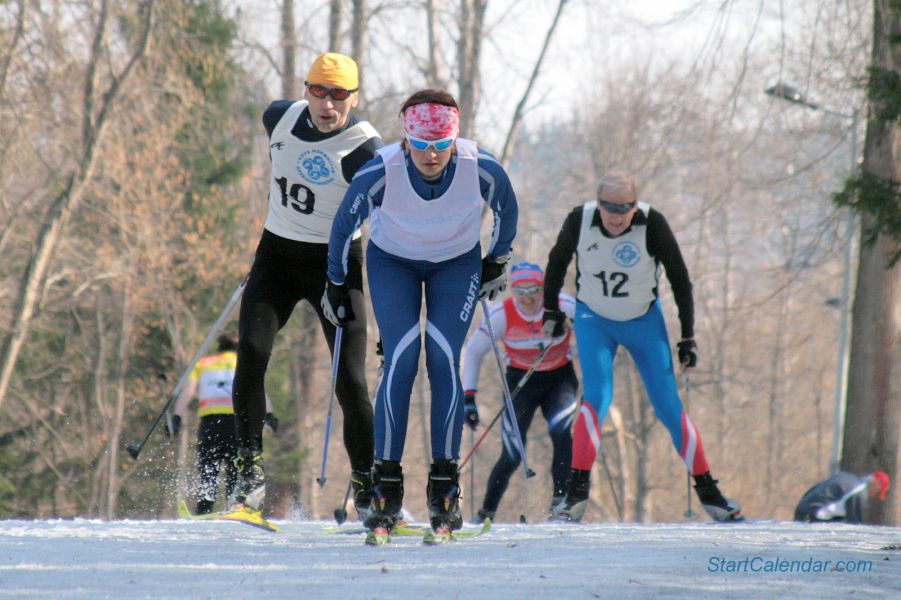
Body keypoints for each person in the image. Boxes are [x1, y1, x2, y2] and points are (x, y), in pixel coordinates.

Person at [323, 89, 518, 535]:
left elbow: (508, 210)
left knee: (444, 356)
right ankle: (386, 484)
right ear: (405, 137)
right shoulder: (382, 170)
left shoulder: (480, 167)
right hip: (394, 264)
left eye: (441, 143)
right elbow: (342, 227)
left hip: (457, 264)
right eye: (421, 143)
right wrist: (335, 282)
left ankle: (444, 484)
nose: (432, 154)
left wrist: (498, 258)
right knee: (403, 357)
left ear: (455, 137)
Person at [230, 53, 382, 516]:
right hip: (275, 255)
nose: (327, 104)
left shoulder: (366, 148)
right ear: (306, 89)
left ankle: (367, 482)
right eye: (318, 91)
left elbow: (387, 218)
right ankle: (248, 469)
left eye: (339, 95)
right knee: (252, 352)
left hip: (334, 265)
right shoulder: (279, 116)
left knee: (349, 380)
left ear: (354, 98)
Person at [543, 173, 741, 522]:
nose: (617, 216)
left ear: (635, 205)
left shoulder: (652, 224)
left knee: (668, 406)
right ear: (598, 203)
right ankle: (575, 492)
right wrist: (551, 311)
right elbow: (557, 263)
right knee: (596, 399)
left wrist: (688, 337)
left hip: (643, 322)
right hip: (595, 321)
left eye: (625, 208)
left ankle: (709, 491)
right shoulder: (580, 219)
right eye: (609, 207)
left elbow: (680, 280)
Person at [461, 263, 579, 522]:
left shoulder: (564, 305)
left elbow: (594, 331)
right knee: (513, 452)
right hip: (521, 383)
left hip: (559, 379)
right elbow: (473, 351)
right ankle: (486, 512)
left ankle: (561, 504)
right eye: (520, 291)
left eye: (534, 290)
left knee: (561, 433)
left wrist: (571, 326)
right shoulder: (501, 315)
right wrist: (468, 398)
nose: (527, 297)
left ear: (543, 288)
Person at [170, 332, 277, 514]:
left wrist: (176, 417)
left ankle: (204, 508)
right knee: (235, 470)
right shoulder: (244, 363)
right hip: (236, 423)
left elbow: (188, 390)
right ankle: (234, 507)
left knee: (207, 469)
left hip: (209, 424)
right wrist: (270, 415)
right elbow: (258, 390)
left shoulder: (204, 363)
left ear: (220, 346)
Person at [794, 471, 890, 523]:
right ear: (876, 484)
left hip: (803, 508)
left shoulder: (846, 477)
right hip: (814, 515)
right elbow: (855, 524)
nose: (874, 496)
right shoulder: (859, 490)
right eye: (878, 493)